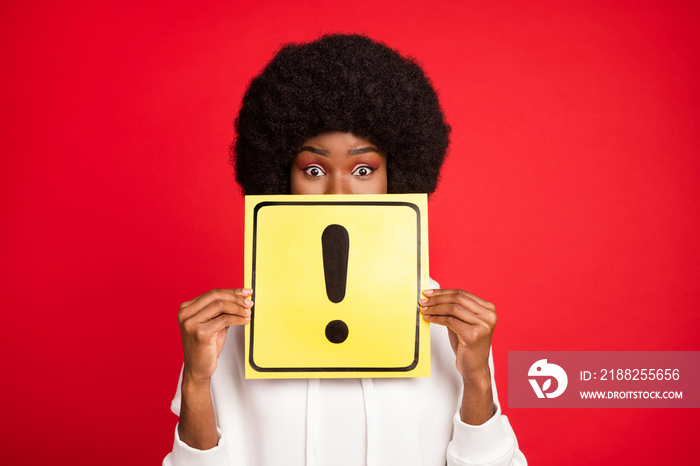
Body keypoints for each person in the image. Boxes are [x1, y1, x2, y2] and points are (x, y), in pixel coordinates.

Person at [164, 33, 526, 466]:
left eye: (363, 168)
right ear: (282, 178)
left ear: (396, 176)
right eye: (314, 169)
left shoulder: (445, 326)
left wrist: (478, 378)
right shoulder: (232, 329)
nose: (339, 192)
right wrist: (197, 383)